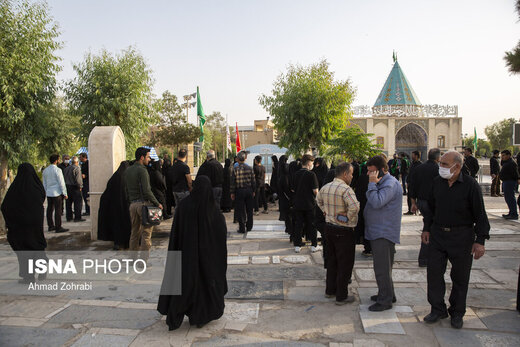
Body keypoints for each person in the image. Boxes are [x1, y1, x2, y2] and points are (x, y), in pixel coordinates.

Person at [422, 151, 490, 329]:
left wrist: (480, 240)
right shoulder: (437, 183)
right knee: (434, 273)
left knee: (460, 277)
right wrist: (426, 228)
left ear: (457, 166)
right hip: (438, 235)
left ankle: (457, 312)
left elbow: (480, 215)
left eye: (444, 164)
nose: (441, 167)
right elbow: (430, 209)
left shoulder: (470, 185)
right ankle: (437, 309)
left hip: (462, 236)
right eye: (441, 163)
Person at [157, 176, 227, 330]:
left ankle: (181, 312)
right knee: (205, 283)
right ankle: (202, 316)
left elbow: (176, 233)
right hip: (207, 258)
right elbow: (221, 234)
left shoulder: (184, 206)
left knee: (185, 283)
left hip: (186, 256)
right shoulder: (212, 209)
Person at [317, 162, 360, 305]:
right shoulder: (346, 189)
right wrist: (345, 218)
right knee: (345, 263)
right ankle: (341, 296)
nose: (352, 177)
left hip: (329, 228)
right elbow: (354, 207)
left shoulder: (325, 187)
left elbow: (318, 201)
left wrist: (327, 212)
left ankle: (330, 290)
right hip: (344, 230)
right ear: (345, 174)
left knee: (332, 261)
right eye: (352, 173)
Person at [364, 155, 403, 311]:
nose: (369, 175)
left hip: (383, 232)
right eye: (368, 172)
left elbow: (377, 201)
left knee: (381, 269)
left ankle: (385, 300)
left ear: (382, 170)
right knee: (385, 268)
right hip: (379, 231)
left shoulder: (390, 184)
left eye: (372, 172)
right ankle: (388, 294)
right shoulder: (384, 182)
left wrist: (372, 185)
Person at [1, 163, 48, 283]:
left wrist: (11, 221)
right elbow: (42, 197)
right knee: (36, 245)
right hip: (35, 224)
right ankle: (42, 266)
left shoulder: (16, 188)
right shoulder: (37, 187)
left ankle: (29, 277)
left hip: (20, 226)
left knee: (23, 250)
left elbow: (5, 206)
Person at [124, 147, 162, 261]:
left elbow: (126, 189)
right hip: (143, 206)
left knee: (134, 233)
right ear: (142, 157)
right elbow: (147, 191)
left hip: (132, 205)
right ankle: (143, 261)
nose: (149, 159)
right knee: (146, 234)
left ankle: (133, 259)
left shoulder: (128, 170)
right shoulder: (142, 170)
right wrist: (157, 203)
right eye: (148, 156)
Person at [409, 148, 441, 267]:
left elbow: (412, 186)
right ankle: (426, 259)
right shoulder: (438, 169)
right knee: (430, 228)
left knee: (428, 226)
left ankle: (425, 258)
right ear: (438, 158)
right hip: (431, 204)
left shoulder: (419, 168)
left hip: (421, 202)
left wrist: (413, 203)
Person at [98, 161, 132, 250]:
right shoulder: (126, 177)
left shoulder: (115, 177)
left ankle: (117, 243)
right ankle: (126, 243)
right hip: (125, 206)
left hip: (114, 207)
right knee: (126, 224)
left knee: (116, 225)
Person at [293, 154, 321, 253]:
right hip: (310, 204)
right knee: (312, 224)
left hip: (297, 203)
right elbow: (315, 191)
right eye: (312, 163)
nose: (312, 165)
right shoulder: (312, 175)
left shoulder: (296, 174)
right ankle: (314, 245)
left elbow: (293, 189)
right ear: (309, 163)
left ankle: (297, 245)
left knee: (298, 224)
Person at [230, 151, 256, 233]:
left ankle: (242, 228)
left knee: (240, 210)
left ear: (237, 159)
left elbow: (233, 182)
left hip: (239, 191)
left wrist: (232, 192)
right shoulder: (250, 168)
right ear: (245, 158)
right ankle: (249, 226)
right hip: (249, 190)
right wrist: (254, 190)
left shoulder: (235, 169)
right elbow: (253, 181)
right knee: (249, 209)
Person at [42, 154, 69, 233]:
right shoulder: (58, 170)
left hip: (49, 192)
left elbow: (44, 183)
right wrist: (65, 193)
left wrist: (45, 191)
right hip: (57, 193)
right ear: (56, 160)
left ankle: (50, 226)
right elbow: (61, 182)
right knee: (58, 210)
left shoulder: (45, 170)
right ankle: (58, 227)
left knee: (49, 209)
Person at [354, 160, 372, 257]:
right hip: (373, 207)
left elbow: (358, 193)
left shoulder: (362, 178)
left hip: (363, 206)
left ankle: (368, 248)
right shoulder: (378, 178)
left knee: (365, 226)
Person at [499, 149, 519, 220]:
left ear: (508, 155)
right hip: (506, 181)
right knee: (507, 198)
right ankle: (511, 212)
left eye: (504, 155)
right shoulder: (506, 162)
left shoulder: (511, 163)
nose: (502, 157)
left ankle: (514, 214)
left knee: (510, 198)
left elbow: (515, 174)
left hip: (509, 182)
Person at [63, 156, 84, 222]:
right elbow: (78, 179)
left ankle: (69, 217)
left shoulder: (66, 169)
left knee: (68, 203)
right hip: (75, 187)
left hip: (67, 186)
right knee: (78, 202)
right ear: (77, 162)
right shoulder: (77, 168)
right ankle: (77, 217)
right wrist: (80, 186)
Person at [404, 151, 422, 215]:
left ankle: (420, 210)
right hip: (411, 184)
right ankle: (410, 210)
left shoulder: (420, 165)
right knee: (410, 197)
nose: (412, 156)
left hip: (417, 184)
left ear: (416, 156)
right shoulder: (412, 164)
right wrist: (407, 182)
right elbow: (410, 173)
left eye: (413, 155)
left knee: (419, 198)